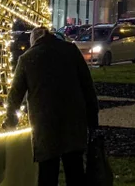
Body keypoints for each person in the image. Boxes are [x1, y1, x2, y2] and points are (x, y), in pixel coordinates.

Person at [6, 26, 99, 186]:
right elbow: (87, 86)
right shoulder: (71, 51)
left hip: (45, 125)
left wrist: (10, 122)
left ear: (33, 41)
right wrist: (92, 120)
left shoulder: (27, 58)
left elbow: (14, 96)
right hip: (74, 123)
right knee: (75, 171)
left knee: (47, 173)